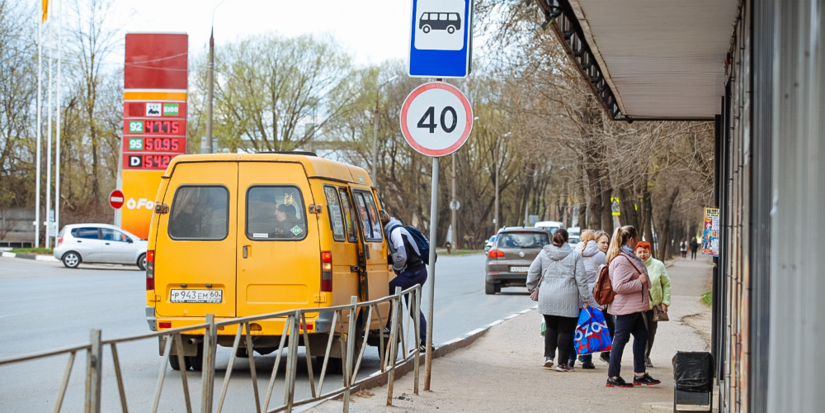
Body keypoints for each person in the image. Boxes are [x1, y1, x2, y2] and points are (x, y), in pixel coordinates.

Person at [526, 229, 590, 372]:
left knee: (550, 327)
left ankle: (549, 357)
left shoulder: (544, 253)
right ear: (567, 240)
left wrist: (531, 287)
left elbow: (532, 272)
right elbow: (581, 279)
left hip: (547, 297)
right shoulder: (575, 256)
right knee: (565, 331)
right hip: (567, 298)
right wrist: (586, 298)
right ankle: (562, 364)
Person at [605, 225, 661, 388]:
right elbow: (618, 286)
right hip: (626, 308)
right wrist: (640, 282)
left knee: (642, 335)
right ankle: (613, 376)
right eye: (636, 238)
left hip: (634, 306)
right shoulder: (622, 259)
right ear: (631, 239)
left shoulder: (629, 257)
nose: (637, 241)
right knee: (620, 339)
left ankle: (640, 373)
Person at [379, 210, 428, 352]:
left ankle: (388, 325)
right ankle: (424, 342)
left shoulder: (395, 232)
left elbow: (401, 256)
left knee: (390, 289)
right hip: (417, 272)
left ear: (382, 223)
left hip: (415, 272)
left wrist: (395, 268)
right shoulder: (395, 230)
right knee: (413, 309)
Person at [573, 230, 608, 369]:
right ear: (594, 239)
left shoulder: (574, 252)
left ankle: (572, 356)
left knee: (576, 324)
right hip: (594, 294)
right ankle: (586, 358)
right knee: (589, 326)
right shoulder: (600, 255)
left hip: (576, 292)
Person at [634, 241, 671, 368]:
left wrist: (665, 302)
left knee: (651, 332)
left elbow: (666, 284)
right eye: (639, 252)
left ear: (650, 252)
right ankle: (641, 357)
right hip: (637, 305)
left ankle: (646, 356)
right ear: (635, 253)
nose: (642, 254)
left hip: (653, 305)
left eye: (645, 251)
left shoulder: (658, 265)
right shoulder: (632, 265)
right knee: (641, 332)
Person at [593, 229, 615, 364]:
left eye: (607, 242)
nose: (606, 245)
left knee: (611, 326)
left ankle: (605, 352)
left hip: (604, 297)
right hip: (592, 297)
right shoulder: (591, 257)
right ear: (595, 243)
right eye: (603, 242)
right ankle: (584, 356)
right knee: (590, 326)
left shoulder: (607, 257)